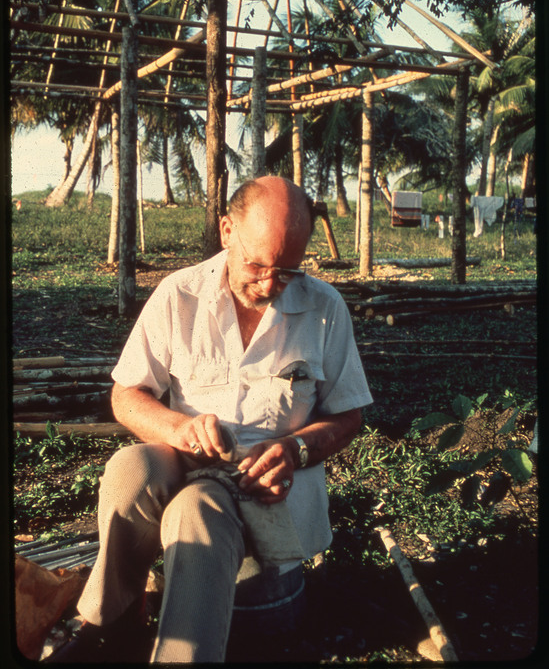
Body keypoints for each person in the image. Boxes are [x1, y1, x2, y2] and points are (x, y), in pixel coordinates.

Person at [50, 176, 372, 663]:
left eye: (286, 271)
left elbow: (349, 414)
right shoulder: (179, 295)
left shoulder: (324, 309)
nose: (268, 285)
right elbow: (127, 394)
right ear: (226, 230)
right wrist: (179, 429)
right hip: (187, 457)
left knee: (196, 509)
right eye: (257, 264)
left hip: (266, 488)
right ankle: (107, 624)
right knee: (129, 471)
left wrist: (295, 449)